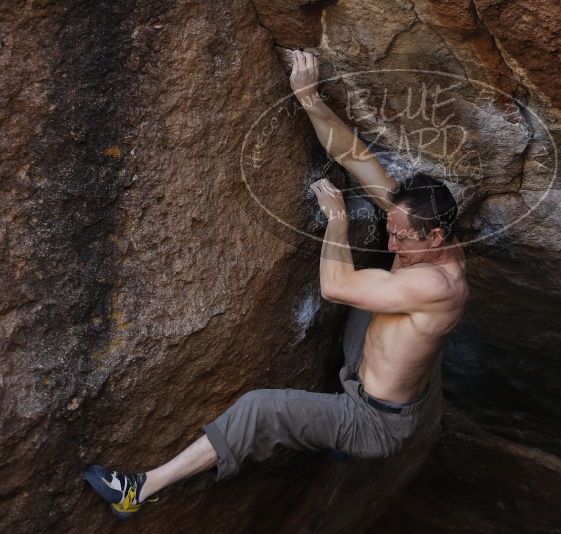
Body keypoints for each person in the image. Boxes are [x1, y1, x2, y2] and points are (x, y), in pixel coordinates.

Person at [82, 49, 468, 520]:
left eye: (401, 237)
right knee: (375, 306)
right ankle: (347, 410)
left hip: (374, 422)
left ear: (436, 236)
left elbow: (335, 287)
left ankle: (139, 490)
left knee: (261, 407)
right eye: (391, 226)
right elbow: (354, 156)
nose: (391, 240)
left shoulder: (439, 284)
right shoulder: (422, 228)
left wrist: (337, 222)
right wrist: (308, 97)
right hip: (382, 379)